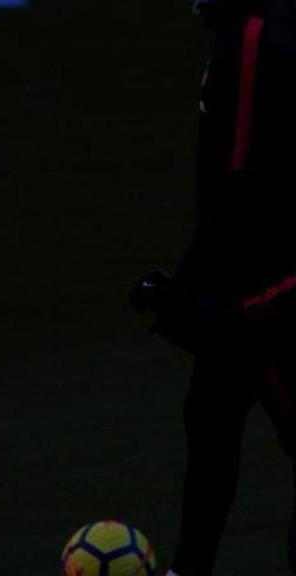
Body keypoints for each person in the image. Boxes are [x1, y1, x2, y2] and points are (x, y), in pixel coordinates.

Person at [131, 1, 296, 574]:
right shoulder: (251, 33)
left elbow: (239, 181)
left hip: (262, 299)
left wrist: (192, 299)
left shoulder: (255, 38)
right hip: (243, 288)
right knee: (209, 421)